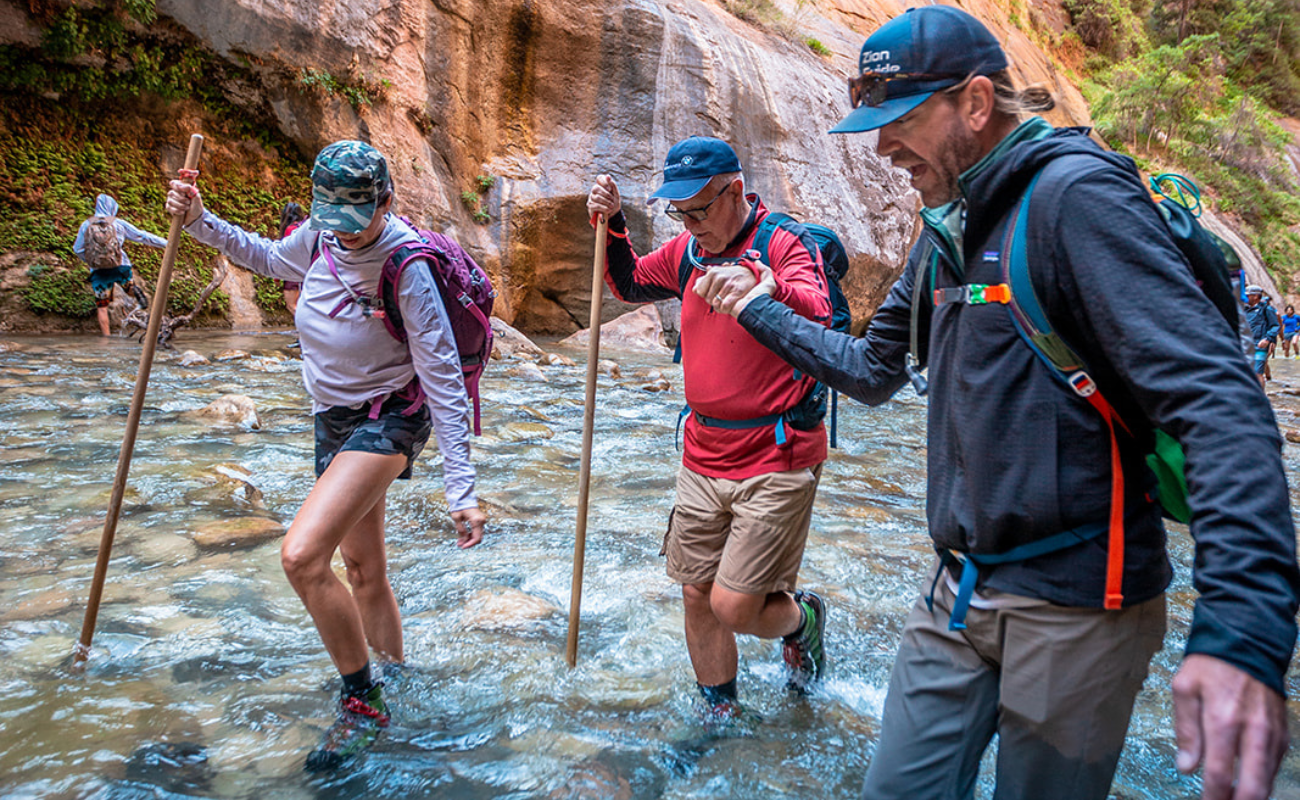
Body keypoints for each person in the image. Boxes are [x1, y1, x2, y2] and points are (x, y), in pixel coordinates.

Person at [694, 7, 1299, 799]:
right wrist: (756, 309)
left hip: (1081, 604)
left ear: (976, 103)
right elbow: (872, 370)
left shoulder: (1078, 200)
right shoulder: (945, 229)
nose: (882, 147)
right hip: (956, 590)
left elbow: (1219, 404)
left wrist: (1241, 635)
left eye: (900, 122)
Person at [165, 140, 488, 770]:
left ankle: (363, 701)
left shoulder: (407, 266)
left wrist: (461, 488)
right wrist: (200, 219)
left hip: (391, 416)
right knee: (362, 569)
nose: (342, 233)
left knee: (301, 556)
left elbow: (444, 379)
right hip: (333, 418)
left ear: (387, 201)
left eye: (355, 220)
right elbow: (265, 256)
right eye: (331, 219)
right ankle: (395, 681)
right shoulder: (321, 234)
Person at [585, 136, 833, 719]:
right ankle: (720, 713)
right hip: (702, 452)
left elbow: (819, 312)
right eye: (680, 213)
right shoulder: (688, 252)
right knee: (697, 592)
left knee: (734, 606)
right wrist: (613, 222)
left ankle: (804, 619)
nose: (691, 225)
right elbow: (629, 283)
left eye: (699, 209)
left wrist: (765, 287)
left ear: (735, 190)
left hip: (776, 451)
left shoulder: (784, 242)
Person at [73, 193, 167, 336]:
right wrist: (167, 243)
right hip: (120, 266)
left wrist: (91, 261)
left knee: (102, 306)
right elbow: (142, 236)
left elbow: (77, 249)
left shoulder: (86, 225)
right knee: (128, 288)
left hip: (99, 271)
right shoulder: (118, 224)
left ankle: (106, 340)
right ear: (113, 208)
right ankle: (134, 291)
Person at [1245, 286, 1280, 389]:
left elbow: (1275, 326)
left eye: (1248, 295)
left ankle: (1260, 396)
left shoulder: (1267, 309)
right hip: (1246, 345)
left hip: (1260, 345)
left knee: (1258, 373)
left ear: (1256, 296)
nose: (1245, 297)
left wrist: (1267, 339)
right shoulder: (1244, 309)